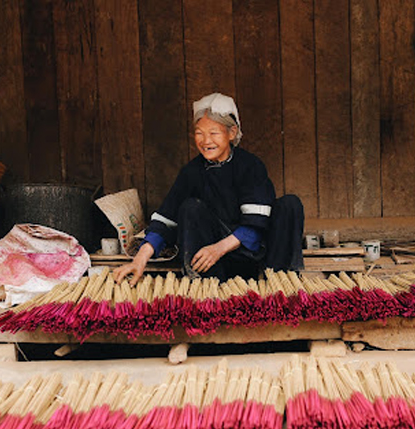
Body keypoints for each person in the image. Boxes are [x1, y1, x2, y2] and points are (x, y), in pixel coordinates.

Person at [114, 93, 304, 286]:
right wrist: (139, 259)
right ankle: (205, 287)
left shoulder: (250, 166)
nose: (206, 141)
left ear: (232, 133)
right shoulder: (191, 172)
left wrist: (218, 248)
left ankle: (282, 284)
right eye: (199, 133)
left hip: (254, 256)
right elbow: (166, 219)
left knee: (290, 204)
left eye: (214, 133)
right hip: (211, 264)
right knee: (190, 207)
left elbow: (255, 225)